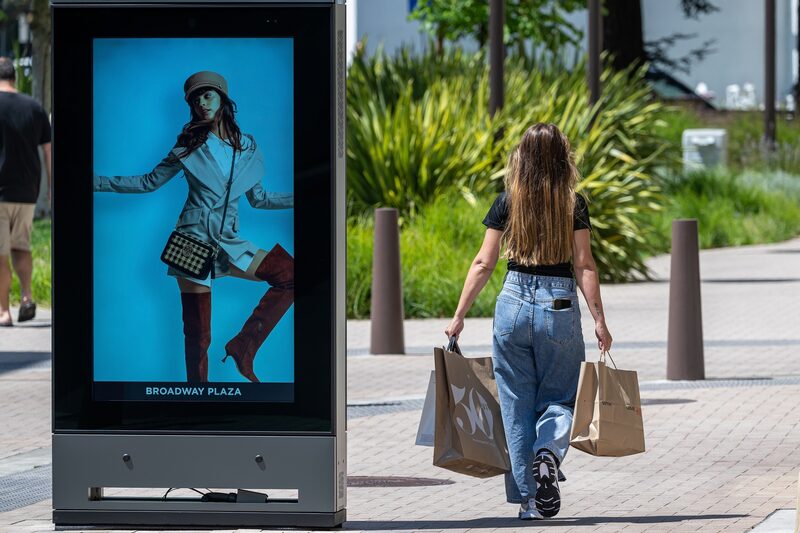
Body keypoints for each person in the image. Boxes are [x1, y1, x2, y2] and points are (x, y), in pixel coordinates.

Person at [445, 123, 613, 520]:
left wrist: (458, 317)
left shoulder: (507, 202)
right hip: (559, 305)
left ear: (521, 156)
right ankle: (547, 452)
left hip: (512, 303)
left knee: (515, 405)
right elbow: (584, 264)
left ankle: (531, 503)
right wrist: (600, 321)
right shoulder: (574, 204)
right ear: (562, 158)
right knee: (560, 396)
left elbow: (484, 262)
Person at [93, 71, 293, 383]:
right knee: (198, 337)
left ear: (223, 98)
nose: (201, 102)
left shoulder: (248, 148)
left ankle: (243, 347)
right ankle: (198, 396)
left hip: (229, 242)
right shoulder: (188, 147)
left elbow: (260, 199)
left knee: (290, 275)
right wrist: (97, 181)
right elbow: (147, 182)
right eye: (195, 98)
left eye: (207, 94)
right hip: (192, 242)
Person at [0, 57, 52, 327]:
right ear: (14, 78)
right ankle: (27, 297)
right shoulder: (34, 107)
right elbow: (47, 151)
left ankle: (4, 311)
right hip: (27, 191)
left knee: (0, 252)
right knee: (21, 245)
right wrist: (52, 188)